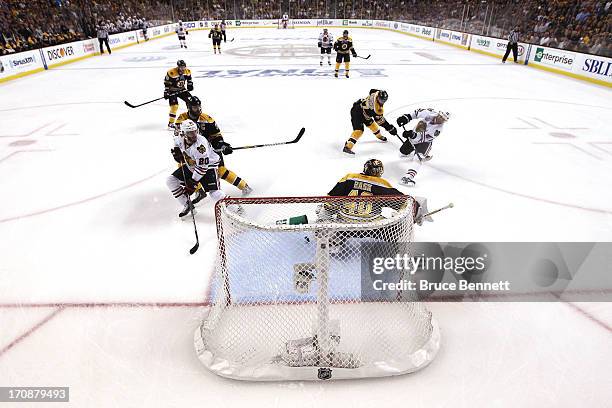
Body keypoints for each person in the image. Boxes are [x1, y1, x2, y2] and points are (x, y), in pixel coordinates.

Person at [175, 97, 252, 196]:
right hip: (190, 151)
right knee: (184, 168)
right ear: (189, 107)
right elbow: (177, 135)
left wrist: (222, 145)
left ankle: (244, 186)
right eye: (195, 107)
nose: (198, 109)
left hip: (209, 150)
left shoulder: (207, 119)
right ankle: (199, 191)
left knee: (221, 171)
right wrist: (178, 149)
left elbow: (216, 136)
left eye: (199, 107)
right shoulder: (182, 119)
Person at [167, 119, 227, 217]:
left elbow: (202, 168)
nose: (194, 135)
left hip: (209, 167)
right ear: (184, 133)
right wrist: (177, 151)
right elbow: (176, 141)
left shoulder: (200, 146)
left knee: (214, 193)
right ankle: (188, 205)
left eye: (195, 131)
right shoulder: (179, 136)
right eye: (190, 133)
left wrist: (192, 184)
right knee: (171, 181)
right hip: (192, 165)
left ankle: (235, 207)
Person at [396, 108, 450, 186]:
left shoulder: (438, 130)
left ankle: (408, 177)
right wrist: (407, 117)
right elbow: (417, 113)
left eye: (443, 119)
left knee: (418, 159)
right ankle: (415, 154)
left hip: (424, 143)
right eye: (441, 116)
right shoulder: (430, 113)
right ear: (439, 113)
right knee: (402, 153)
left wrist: (412, 134)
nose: (441, 119)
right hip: (413, 137)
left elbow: (422, 138)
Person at [343, 89, 397, 155]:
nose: (382, 102)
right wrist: (390, 128)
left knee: (373, 126)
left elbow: (371, 90)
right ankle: (347, 147)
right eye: (381, 100)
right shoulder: (377, 109)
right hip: (357, 112)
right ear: (378, 98)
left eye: (384, 100)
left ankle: (379, 136)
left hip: (363, 111)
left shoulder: (376, 93)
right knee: (359, 131)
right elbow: (380, 121)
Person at [164, 60, 193, 129]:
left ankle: (191, 119)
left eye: (184, 67)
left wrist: (190, 85)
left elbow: (189, 79)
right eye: (181, 67)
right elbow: (167, 82)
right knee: (174, 106)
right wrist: (166, 92)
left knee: (191, 102)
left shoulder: (187, 71)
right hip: (172, 91)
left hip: (182, 90)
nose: (183, 69)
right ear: (178, 67)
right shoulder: (171, 72)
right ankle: (171, 123)